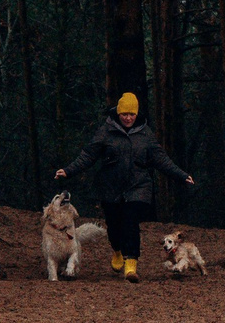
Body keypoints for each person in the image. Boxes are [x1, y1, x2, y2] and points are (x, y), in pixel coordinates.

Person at [55, 91, 193, 281]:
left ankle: (131, 264)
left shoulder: (146, 133)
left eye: (131, 114)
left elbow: (161, 159)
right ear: (118, 113)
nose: (128, 118)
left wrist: (181, 175)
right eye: (124, 114)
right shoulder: (106, 130)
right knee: (114, 225)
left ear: (137, 114)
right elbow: (88, 155)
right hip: (110, 187)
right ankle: (117, 251)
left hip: (138, 186)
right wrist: (69, 170)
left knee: (131, 222)